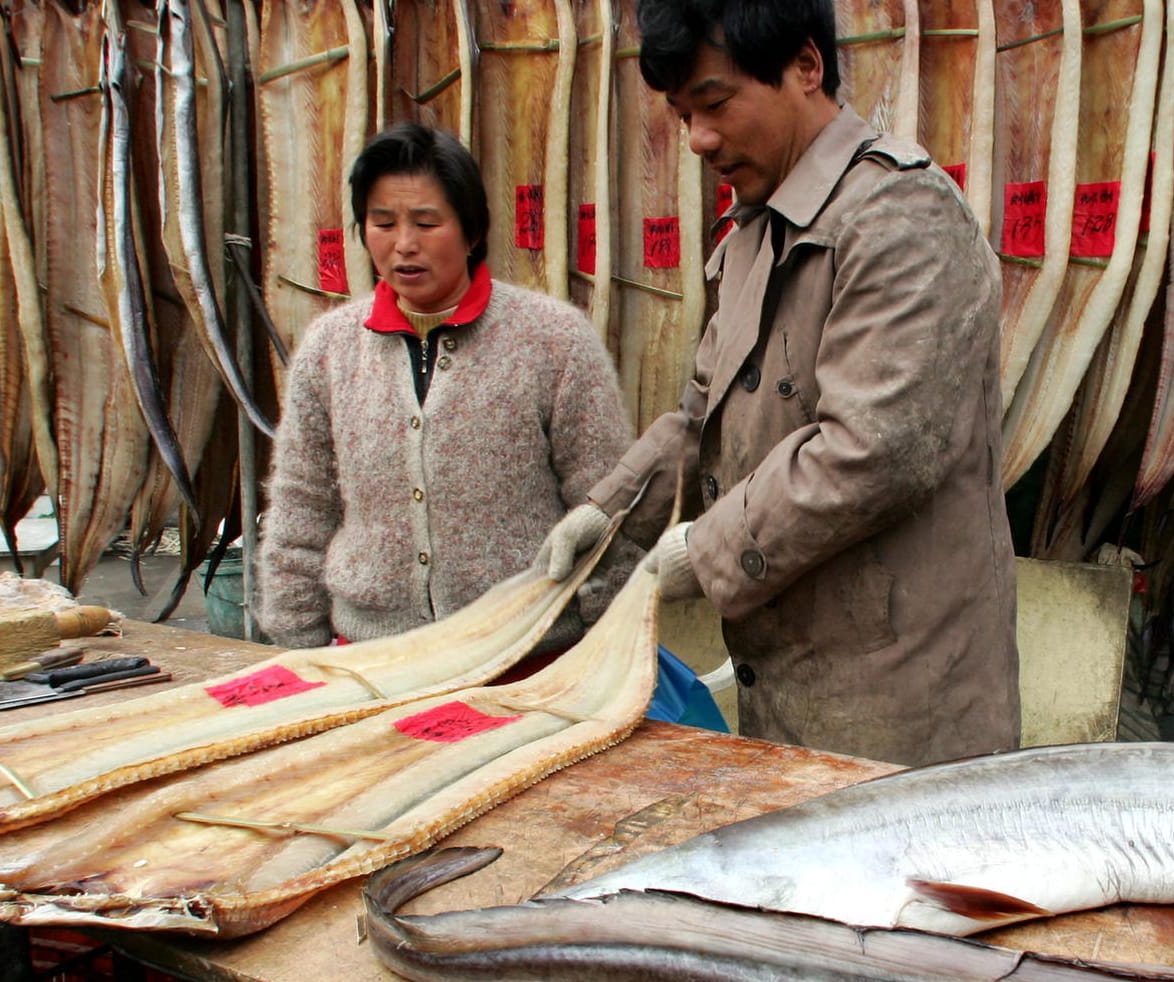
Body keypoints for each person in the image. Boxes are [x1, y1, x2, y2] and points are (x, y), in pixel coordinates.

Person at [537, 0, 1020, 765]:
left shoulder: (900, 219)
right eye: (680, 113)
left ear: (805, 66)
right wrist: (609, 514)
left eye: (716, 104)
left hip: (896, 713)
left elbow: (873, 450)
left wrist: (702, 549)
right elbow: (704, 419)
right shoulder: (756, 233)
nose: (698, 139)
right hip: (788, 692)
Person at [257, 124, 635, 651]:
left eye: (427, 222)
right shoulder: (329, 350)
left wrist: (607, 649)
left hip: (525, 659)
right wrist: (300, 649)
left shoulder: (553, 340)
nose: (404, 245)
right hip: (371, 662)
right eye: (382, 222)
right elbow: (302, 508)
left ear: (472, 230)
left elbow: (607, 507)